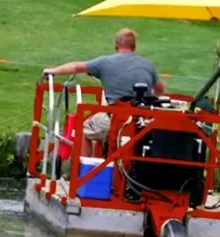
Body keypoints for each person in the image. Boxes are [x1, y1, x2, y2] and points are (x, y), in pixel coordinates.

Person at [42, 28, 164, 156]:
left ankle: (85, 171)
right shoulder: (148, 65)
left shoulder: (105, 62)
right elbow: (160, 90)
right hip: (144, 123)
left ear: (116, 44)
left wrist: (53, 70)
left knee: (83, 129)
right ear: (134, 46)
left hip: (116, 120)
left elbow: (75, 67)